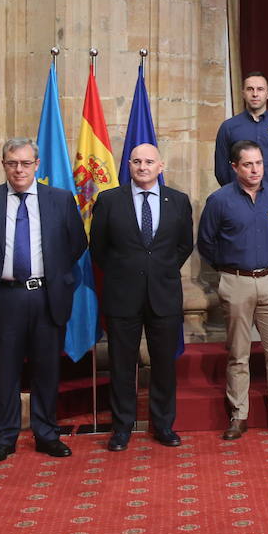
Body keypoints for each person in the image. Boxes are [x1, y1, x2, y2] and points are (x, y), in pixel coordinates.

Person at [0, 137, 88, 463]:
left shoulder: (60, 200)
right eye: (12, 163)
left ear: (37, 165)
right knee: (6, 373)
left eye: (25, 163)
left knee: (47, 370)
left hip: (46, 296)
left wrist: (54, 275)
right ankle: (4, 438)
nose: (19, 169)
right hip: (5, 299)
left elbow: (76, 244)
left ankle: (46, 434)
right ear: (3, 164)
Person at [89, 143, 194, 451]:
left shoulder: (177, 201)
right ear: (129, 166)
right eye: (137, 162)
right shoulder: (109, 200)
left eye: (149, 162)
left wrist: (158, 270)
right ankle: (122, 428)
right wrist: (126, 272)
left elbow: (184, 245)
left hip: (163, 295)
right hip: (123, 295)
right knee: (122, 365)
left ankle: (163, 425)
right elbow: (98, 248)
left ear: (160, 166)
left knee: (163, 364)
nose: (143, 167)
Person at [197, 140, 268, 439]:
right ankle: (239, 415)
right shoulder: (219, 200)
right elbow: (206, 242)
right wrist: (228, 269)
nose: (255, 170)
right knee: (238, 354)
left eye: (259, 163)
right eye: (248, 164)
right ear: (234, 167)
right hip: (236, 281)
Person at [214, 70, 268, 192]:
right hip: (238, 196)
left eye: (260, 89)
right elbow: (221, 169)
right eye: (250, 89)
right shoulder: (229, 127)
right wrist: (234, 190)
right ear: (243, 93)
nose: (255, 94)